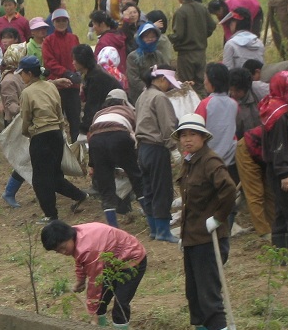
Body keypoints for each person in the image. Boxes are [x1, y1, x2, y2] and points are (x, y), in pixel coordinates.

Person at [174, 114, 237, 330]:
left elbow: (229, 190)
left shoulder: (210, 161)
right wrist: (183, 235)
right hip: (192, 239)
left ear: (202, 137)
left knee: (209, 297)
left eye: (192, 134)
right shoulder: (190, 162)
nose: (187, 139)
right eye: (183, 135)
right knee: (194, 296)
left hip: (209, 240)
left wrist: (219, 218)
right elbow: (190, 202)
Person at [18, 55, 89, 223]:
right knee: (55, 175)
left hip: (40, 136)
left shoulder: (27, 92)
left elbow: (26, 117)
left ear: (28, 73)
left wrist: (27, 132)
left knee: (41, 179)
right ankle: (79, 195)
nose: (21, 76)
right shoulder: (50, 87)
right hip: (56, 134)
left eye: (22, 73)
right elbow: (59, 109)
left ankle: (51, 215)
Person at [41, 220, 147, 330]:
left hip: (131, 261)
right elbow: (79, 258)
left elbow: (95, 282)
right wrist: (80, 280)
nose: (62, 252)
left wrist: (92, 313)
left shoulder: (89, 248)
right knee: (101, 302)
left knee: (120, 306)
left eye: (63, 247)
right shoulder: (73, 235)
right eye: (58, 251)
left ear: (69, 237)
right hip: (110, 263)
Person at [256, 71, 288, 257]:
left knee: (282, 211)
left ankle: (280, 252)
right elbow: (280, 145)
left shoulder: (270, 107)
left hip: (273, 168)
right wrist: (284, 173)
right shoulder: (280, 116)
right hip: (284, 169)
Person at [135, 66, 181, 242]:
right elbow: (168, 126)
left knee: (149, 189)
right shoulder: (160, 97)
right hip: (156, 148)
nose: (169, 87)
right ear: (162, 79)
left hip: (143, 149)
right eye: (169, 83)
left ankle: (154, 229)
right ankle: (163, 231)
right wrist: (173, 148)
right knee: (162, 189)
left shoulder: (143, 95)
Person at [87, 89, 144, 228]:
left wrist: (92, 165)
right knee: (136, 177)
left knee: (106, 187)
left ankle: (114, 228)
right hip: (120, 136)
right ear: (124, 101)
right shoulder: (129, 111)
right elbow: (136, 134)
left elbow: (92, 135)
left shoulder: (98, 114)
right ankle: (153, 222)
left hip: (97, 141)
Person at [230, 67, 274, 240]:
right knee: (254, 192)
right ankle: (264, 233)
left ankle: (275, 226)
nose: (233, 93)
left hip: (266, 146)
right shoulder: (229, 102)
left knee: (270, 188)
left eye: (238, 90)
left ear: (247, 88)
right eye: (231, 89)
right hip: (245, 148)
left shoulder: (262, 92)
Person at [167, 0, 216, 93]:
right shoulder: (202, 8)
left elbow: (178, 35)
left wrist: (168, 38)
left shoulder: (181, 12)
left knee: (186, 86)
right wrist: (202, 35)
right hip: (201, 52)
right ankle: (201, 106)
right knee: (200, 84)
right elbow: (212, 26)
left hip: (186, 55)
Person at [42, 8, 82, 143]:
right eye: (58, 21)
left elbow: (79, 58)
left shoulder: (74, 38)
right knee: (56, 121)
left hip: (73, 86)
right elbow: (49, 62)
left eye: (64, 20)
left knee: (75, 120)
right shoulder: (48, 41)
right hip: (57, 86)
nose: (61, 23)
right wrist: (65, 73)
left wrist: (76, 73)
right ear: (53, 22)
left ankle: (77, 149)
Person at [195, 63, 239, 187]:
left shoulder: (205, 104)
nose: (204, 82)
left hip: (208, 160)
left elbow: (195, 130)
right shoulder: (234, 104)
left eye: (205, 78)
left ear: (212, 82)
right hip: (230, 157)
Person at [0, 43, 27, 208]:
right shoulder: (10, 80)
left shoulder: (16, 75)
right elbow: (12, 106)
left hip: (24, 121)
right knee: (25, 159)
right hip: (18, 124)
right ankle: (9, 192)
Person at [73, 44, 122, 140]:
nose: (73, 63)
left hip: (113, 116)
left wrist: (84, 129)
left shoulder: (96, 78)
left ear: (82, 60)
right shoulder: (91, 74)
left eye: (75, 60)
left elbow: (92, 105)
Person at [126, 23, 168, 103]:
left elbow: (166, 71)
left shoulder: (158, 55)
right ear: (141, 38)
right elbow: (134, 79)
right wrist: (150, 89)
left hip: (158, 96)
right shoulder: (133, 57)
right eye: (146, 37)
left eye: (153, 37)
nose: (150, 39)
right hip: (139, 97)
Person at [90, 10, 126, 76]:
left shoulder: (104, 41)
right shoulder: (118, 35)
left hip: (109, 77)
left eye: (94, 24)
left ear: (102, 24)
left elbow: (96, 63)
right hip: (121, 76)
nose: (93, 27)